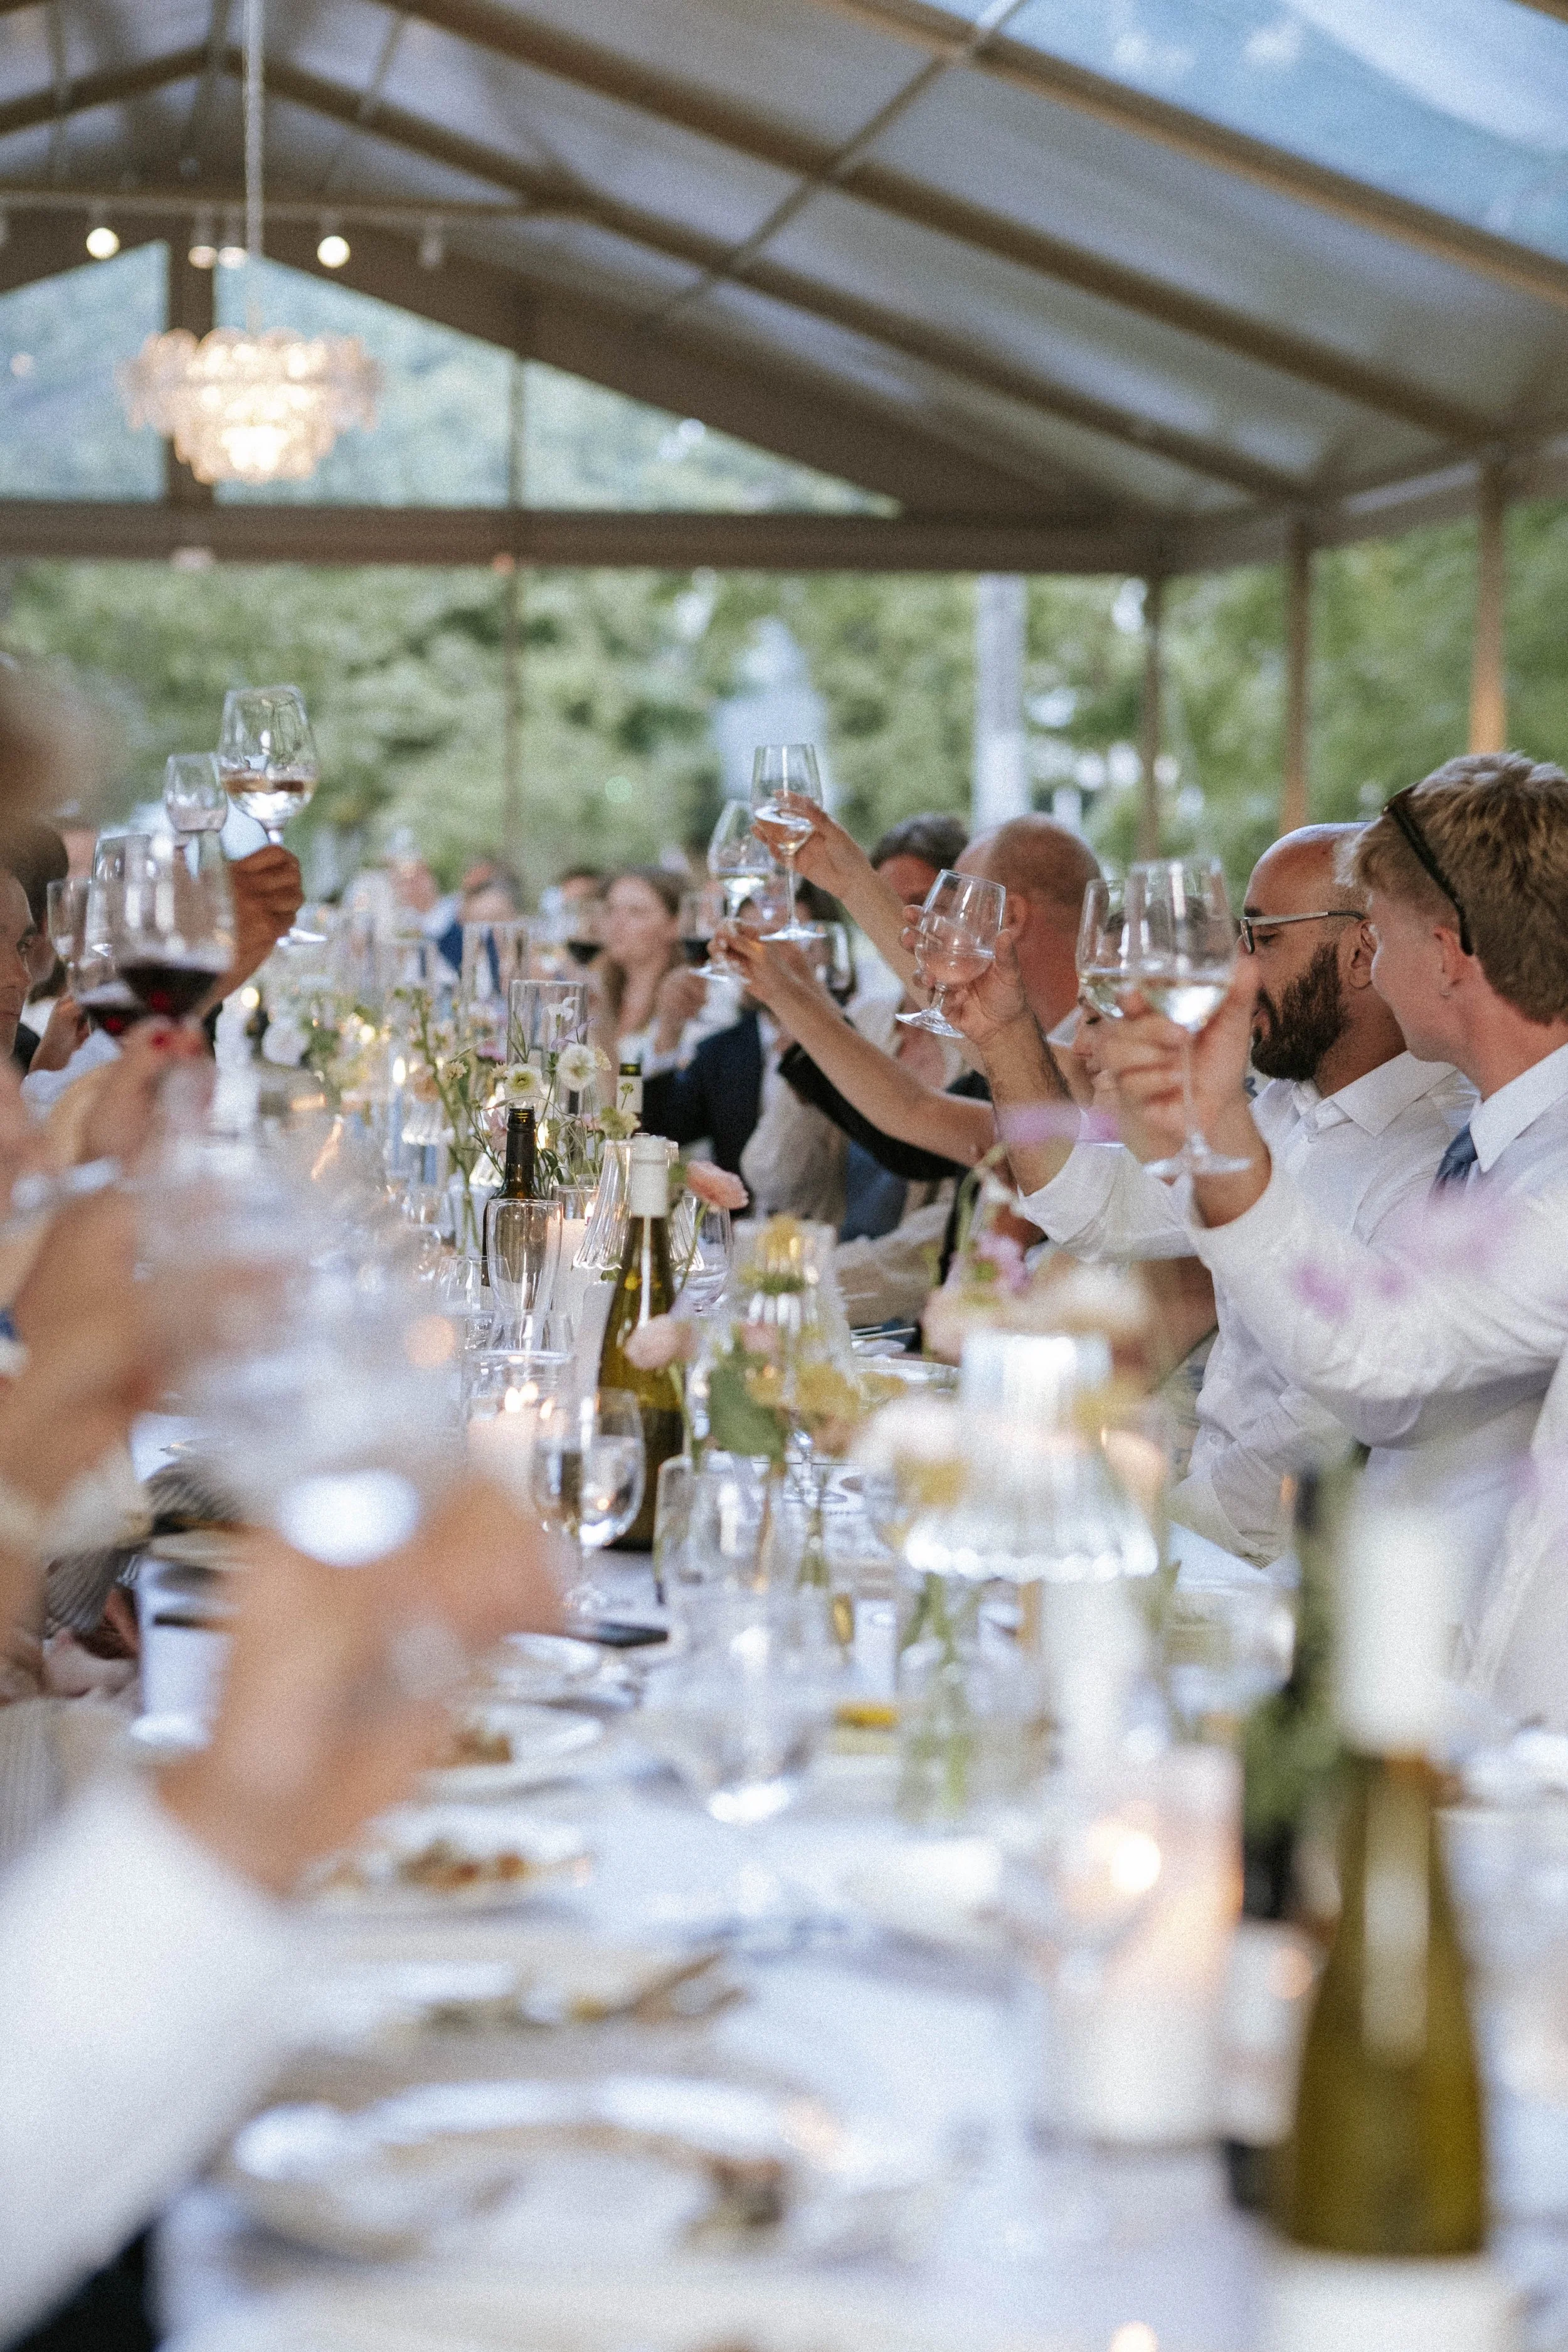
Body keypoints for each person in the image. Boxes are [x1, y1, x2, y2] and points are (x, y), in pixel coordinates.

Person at [1094, 754, 1568, 1690]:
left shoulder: (1555, 1178)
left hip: (1493, 1676)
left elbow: (1383, 1354)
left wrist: (1222, 1124)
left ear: (1449, 951)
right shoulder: (1503, 1137)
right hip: (1393, 1621)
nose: (1375, 972)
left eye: (1383, 936)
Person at [943, 823, 1471, 1562]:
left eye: (1260, 938)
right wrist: (1002, 1035)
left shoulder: (1437, 1156)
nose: (1233, 968)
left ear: (1360, 952)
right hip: (1199, 1523)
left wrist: (1157, 1539)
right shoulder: (1286, 1105)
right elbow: (1094, 1208)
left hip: (1274, 1564)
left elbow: (1321, 1424)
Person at [592, 866, 685, 1060]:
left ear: (674, 925)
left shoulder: (688, 999)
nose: (617, 923)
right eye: (611, 910)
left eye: (636, 912)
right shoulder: (598, 992)